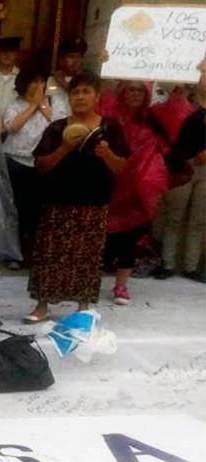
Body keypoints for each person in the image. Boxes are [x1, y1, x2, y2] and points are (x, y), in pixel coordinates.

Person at [25, 71, 130, 322]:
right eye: (75, 92)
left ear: (97, 96)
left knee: (87, 256)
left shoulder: (110, 128)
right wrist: (64, 148)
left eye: (86, 92)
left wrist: (106, 155)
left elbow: (122, 167)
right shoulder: (57, 128)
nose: (80, 97)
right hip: (57, 201)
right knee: (50, 254)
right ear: (69, 97)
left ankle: (83, 307)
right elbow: (41, 165)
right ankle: (41, 306)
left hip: (94, 202)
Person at [99, 81, 169, 304]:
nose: (135, 94)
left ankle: (121, 286)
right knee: (104, 235)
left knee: (130, 238)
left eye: (140, 90)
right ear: (123, 92)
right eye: (131, 89)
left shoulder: (153, 120)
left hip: (136, 189)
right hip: (110, 183)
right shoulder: (108, 118)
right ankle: (89, 280)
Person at [158, 62, 206, 282]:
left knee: (199, 219)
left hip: (204, 170)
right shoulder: (178, 101)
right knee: (174, 218)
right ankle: (167, 263)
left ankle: (191, 266)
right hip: (182, 166)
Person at [2, 66, 55, 266]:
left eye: (42, 82)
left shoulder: (52, 103)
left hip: (40, 164)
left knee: (36, 209)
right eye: (34, 82)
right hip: (15, 162)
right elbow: (12, 126)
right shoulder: (15, 105)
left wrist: (44, 107)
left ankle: (32, 252)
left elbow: (58, 126)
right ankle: (13, 254)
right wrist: (33, 105)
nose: (38, 86)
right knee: (15, 208)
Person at [47, 38, 88, 121]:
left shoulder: (86, 80)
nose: (75, 61)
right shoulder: (52, 80)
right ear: (61, 61)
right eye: (71, 57)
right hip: (56, 123)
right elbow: (48, 101)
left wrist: (63, 83)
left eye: (78, 57)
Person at [0, 37, 21, 120]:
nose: (7, 55)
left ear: (17, 54)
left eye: (11, 51)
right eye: (3, 51)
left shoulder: (21, 76)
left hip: (15, 123)